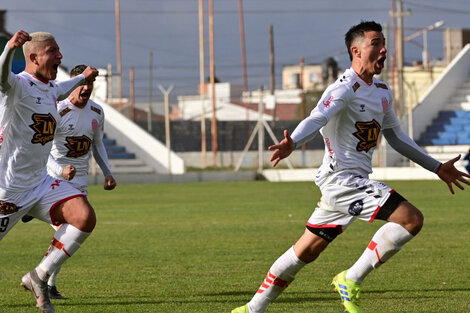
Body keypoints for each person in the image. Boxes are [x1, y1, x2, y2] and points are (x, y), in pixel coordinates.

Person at [231, 21, 470, 313]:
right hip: (342, 180)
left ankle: (251, 308)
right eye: (376, 43)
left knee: (305, 251)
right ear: (356, 51)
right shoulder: (344, 88)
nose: (384, 49)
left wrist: (436, 167)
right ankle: (350, 279)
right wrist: (292, 141)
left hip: (348, 184)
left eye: (384, 43)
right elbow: (317, 118)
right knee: (410, 219)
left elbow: (395, 137)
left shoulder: (382, 91)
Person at [0, 30, 99, 313]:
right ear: (32, 57)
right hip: (8, 188)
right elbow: (0, 75)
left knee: (84, 216)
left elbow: (64, 86)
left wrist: (84, 77)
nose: (60, 56)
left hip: (40, 183)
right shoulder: (15, 85)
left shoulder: (50, 88)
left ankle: (39, 276)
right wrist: (9, 49)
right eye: (53, 51)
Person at [22, 64, 117, 299]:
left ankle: (46, 281)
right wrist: (60, 169)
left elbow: (97, 144)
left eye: (90, 84)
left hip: (79, 182)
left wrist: (108, 172)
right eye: (81, 83)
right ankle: (44, 281)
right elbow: (42, 149)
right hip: (52, 179)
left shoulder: (96, 112)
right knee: (68, 231)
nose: (86, 88)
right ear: (72, 84)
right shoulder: (57, 110)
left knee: (69, 232)